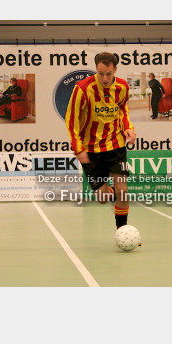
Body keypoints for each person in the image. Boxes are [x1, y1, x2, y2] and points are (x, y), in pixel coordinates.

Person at [65, 52, 136, 229]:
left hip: (116, 144)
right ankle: (109, 191)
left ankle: (122, 231)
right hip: (90, 149)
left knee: (123, 191)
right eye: (101, 73)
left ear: (115, 70)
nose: (104, 78)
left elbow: (123, 109)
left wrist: (128, 128)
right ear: (96, 69)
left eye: (108, 74)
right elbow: (71, 120)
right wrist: (78, 148)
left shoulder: (122, 86)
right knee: (103, 198)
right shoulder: (82, 88)